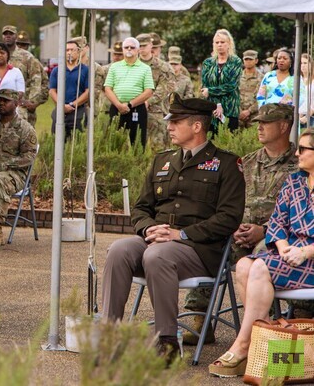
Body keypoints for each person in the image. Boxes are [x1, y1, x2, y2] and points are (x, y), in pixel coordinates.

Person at [101, 95, 245, 363]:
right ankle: (110, 337)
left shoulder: (226, 164)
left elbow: (229, 217)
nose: (169, 126)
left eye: (176, 121)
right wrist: (149, 230)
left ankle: (167, 342)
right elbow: (141, 207)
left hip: (199, 249)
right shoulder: (162, 160)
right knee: (119, 250)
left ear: (197, 126)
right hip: (158, 242)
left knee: (158, 255)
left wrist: (181, 235)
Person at [183, 103, 298, 345]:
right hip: (238, 232)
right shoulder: (245, 162)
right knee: (208, 246)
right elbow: (226, 199)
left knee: (263, 258)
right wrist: (232, 226)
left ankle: (292, 318)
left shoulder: (300, 164)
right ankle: (199, 316)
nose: (260, 128)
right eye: (258, 123)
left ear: (284, 126)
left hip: (278, 238)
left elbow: (301, 212)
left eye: (266, 123)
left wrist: (265, 231)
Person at [208, 128, 314, 378]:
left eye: (303, 149)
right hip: (290, 256)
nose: (296, 153)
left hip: (310, 259)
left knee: (257, 267)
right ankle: (264, 343)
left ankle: (245, 345)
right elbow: (277, 222)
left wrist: (305, 252)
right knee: (244, 265)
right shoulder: (295, 181)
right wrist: (283, 247)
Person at [0, 89, 37, 247]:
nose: (1, 103)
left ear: (16, 104)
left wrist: (0, 166)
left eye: (6, 101)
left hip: (13, 174)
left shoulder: (25, 129)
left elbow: (28, 158)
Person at [104, 37, 155, 147]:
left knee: (137, 143)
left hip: (137, 109)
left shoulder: (145, 68)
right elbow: (108, 88)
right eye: (126, 47)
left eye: (132, 47)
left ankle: (138, 164)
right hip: (117, 108)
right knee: (113, 143)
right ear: (122, 50)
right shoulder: (114, 67)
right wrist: (118, 105)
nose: (129, 49)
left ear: (138, 50)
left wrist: (130, 104)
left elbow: (149, 91)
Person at [2, 26, 48, 126]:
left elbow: (38, 81)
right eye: (5, 34)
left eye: (11, 34)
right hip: (0, 105)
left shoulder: (28, 58)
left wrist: (33, 102)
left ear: (15, 36)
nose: (8, 36)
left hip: (22, 107)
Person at [200, 28, 243, 132]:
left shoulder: (235, 61)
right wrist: (217, 105)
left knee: (229, 142)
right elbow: (204, 87)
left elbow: (231, 86)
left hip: (230, 109)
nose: (219, 45)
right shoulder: (207, 63)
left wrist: (210, 91)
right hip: (211, 109)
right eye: (217, 42)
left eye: (222, 42)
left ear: (229, 44)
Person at [138, 33, 176, 148]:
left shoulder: (163, 67)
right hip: (135, 110)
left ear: (150, 45)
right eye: (139, 46)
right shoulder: (133, 65)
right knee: (136, 145)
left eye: (144, 45)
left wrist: (147, 100)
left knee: (157, 147)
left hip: (157, 112)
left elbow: (166, 87)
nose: (142, 48)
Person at [48, 37, 90, 135]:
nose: (69, 52)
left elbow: (88, 92)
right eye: (67, 50)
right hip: (60, 111)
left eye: (72, 50)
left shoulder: (85, 70)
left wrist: (73, 104)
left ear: (78, 52)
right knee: (57, 139)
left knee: (77, 141)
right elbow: (52, 91)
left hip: (78, 111)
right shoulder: (57, 70)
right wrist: (62, 105)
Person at [238, 50, 263, 127]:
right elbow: (233, 95)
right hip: (238, 116)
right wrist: (240, 111)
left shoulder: (262, 78)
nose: (248, 62)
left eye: (250, 59)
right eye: (246, 59)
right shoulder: (237, 77)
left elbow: (262, 98)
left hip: (254, 117)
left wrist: (249, 111)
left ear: (256, 61)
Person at [298, 53, 314, 128]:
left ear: (311, 64)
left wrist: (307, 117)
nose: (303, 65)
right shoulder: (297, 80)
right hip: (297, 116)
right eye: (301, 63)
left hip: (311, 117)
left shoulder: (313, 81)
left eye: (305, 63)